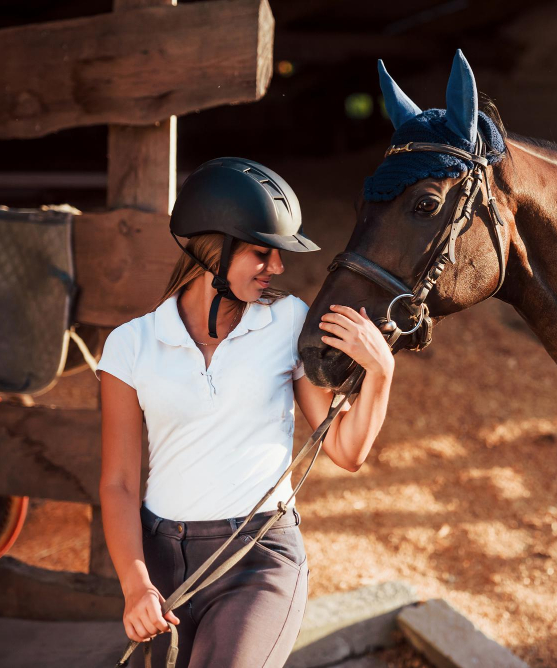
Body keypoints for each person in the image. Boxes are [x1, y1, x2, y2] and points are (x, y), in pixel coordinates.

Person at [97, 157, 394, 667]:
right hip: (166, 566)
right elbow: (119, 483)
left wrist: (381, 372)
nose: (277, 268)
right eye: (262, 252)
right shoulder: (130, 346)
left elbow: (345, 450)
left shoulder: (288, 322)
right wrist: (136, 584)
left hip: (259, 559)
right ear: (214, 250)